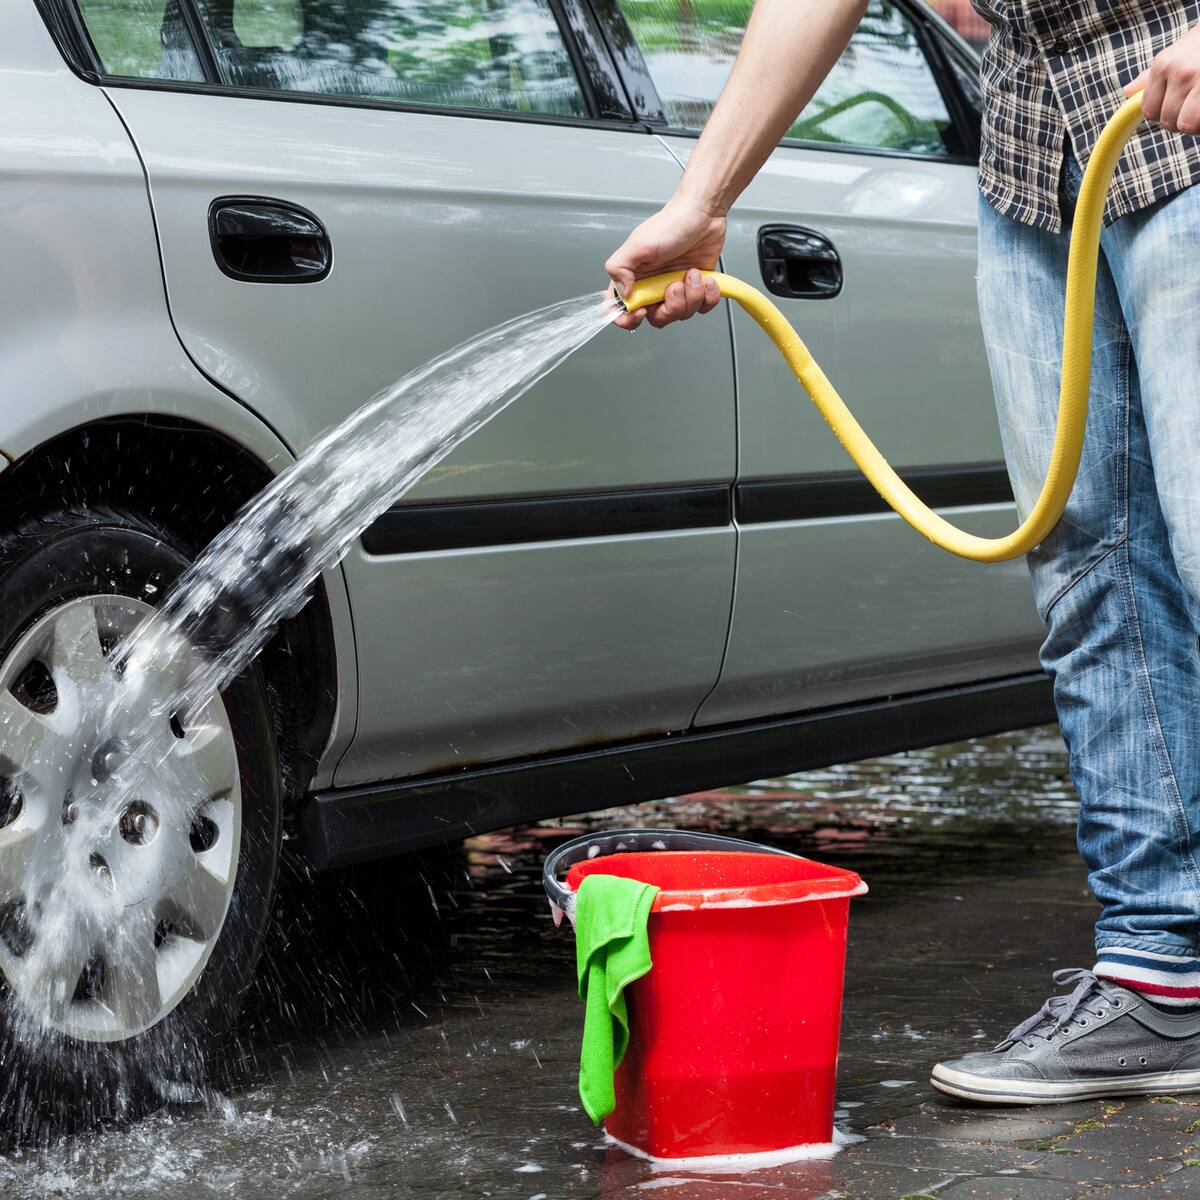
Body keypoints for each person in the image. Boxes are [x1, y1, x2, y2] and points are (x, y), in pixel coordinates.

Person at [605, 0, 1200, 1105]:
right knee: (1092, 571)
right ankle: (1161, 978)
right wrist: (701, 201)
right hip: (1036, 158)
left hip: (1186, 106)